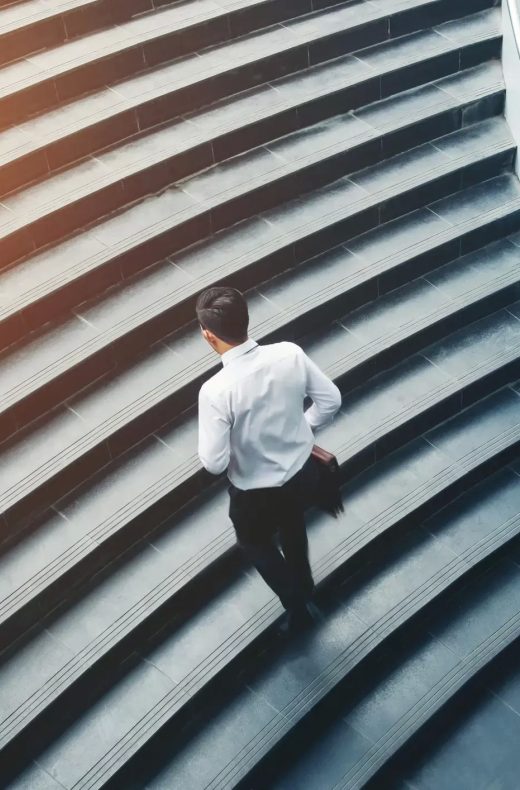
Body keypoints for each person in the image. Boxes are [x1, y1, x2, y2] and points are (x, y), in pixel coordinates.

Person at [196, 286, 342, 633]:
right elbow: (331, 401)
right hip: (300, 473)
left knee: (254, 541)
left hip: (255, 493)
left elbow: (213, 463)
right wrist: (301, 427)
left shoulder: (215, 391)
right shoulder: (288, 354)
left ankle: (296, 603)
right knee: (293, 525)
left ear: (208, 336)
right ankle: (305, 585)